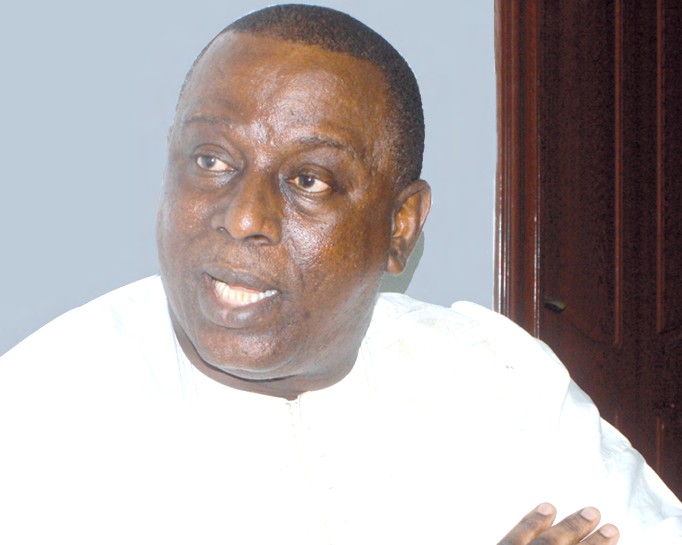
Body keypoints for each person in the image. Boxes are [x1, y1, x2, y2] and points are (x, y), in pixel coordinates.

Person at [0, 4, 680, 544]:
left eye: (309, 180)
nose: (243, 217)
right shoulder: (44, 414)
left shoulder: (495, 379)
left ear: (399, 227)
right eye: (210, 160)